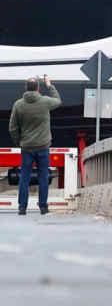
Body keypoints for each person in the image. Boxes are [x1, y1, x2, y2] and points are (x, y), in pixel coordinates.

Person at [10, 75, 62, 216]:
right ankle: (43, 207)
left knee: (24, 177)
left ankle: (22, 207)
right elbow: (58, 101)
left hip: (27, 148)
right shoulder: (45, 102)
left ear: (26, 88)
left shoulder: (18, 104)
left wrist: (19, 141)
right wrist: (50, 86)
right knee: (43, 177)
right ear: (38, 88)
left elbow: (12, 128)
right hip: (43, 147)